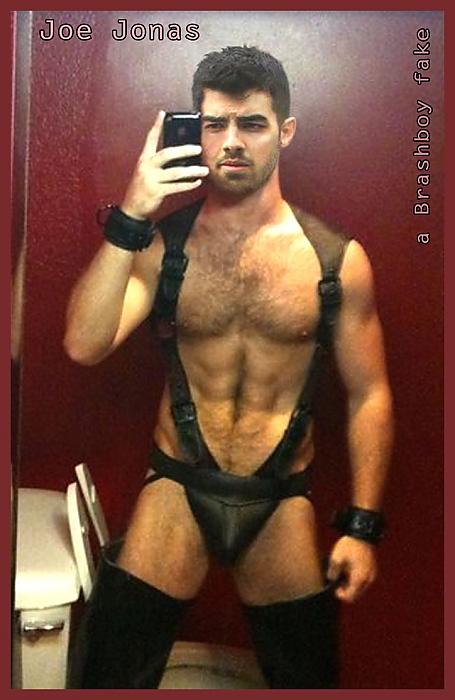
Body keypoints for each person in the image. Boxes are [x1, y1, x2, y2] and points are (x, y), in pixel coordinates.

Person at [64, 45, 394, 689]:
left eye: (252, 123)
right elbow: (84, 344)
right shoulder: (164, 245)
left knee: (307, 677)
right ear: (197, 130)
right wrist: (132, 213)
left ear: (285, 131)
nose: (232, 142)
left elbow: (369, 396)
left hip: (279, 499)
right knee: (109, 671)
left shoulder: (335, 260)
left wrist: (363, 526)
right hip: (178, 487)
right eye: (215, 124)